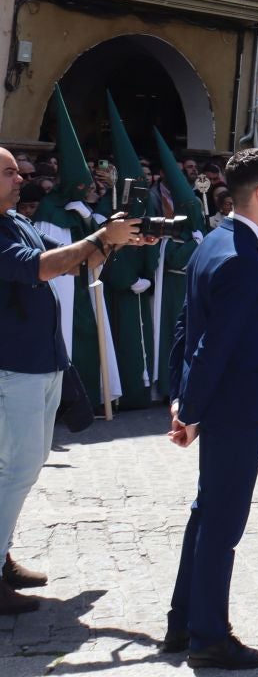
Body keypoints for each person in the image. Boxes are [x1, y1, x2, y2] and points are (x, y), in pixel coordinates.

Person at [0, 150, 149, 615]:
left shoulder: (16, 222)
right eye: (8, 172)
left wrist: (111, 243)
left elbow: (65, 261)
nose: (20, 177)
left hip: (39, 361)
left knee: (25, 463)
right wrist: (101, 236)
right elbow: (40, 267)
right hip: (13, 365)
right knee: (15, 468)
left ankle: (1, 556)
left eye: (17, 171)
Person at [163, 148, 258, 670]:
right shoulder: (239, 254)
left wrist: (182, 397)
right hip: (235, 406)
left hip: (220, 401)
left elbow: (186, 327)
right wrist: (189, 410)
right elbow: (216, 339)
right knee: (222, 523)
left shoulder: (216, 241)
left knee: (206, 512)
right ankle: (209, 636)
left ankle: (183, 620)